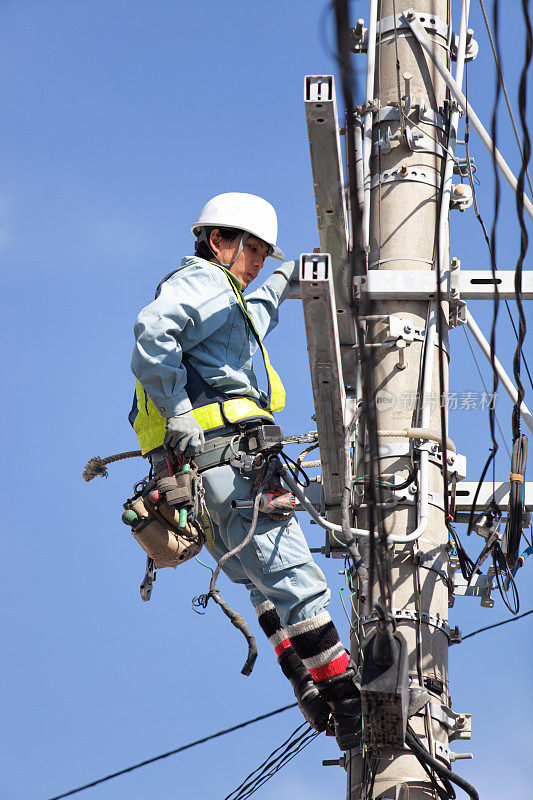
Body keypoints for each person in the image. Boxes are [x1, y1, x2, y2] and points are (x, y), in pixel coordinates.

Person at [130, 192, 360, 748]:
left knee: (262, 582)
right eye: (253, 250)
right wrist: (180, 411)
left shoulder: (221, 293)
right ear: (218, 242)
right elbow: (153, 333)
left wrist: (283, 284)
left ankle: (309, 686)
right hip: (223, 463)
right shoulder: (202, 282)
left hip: (203, 476)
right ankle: (350, 703)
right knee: (295, 578)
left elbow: (243, 327)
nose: (260, 263)